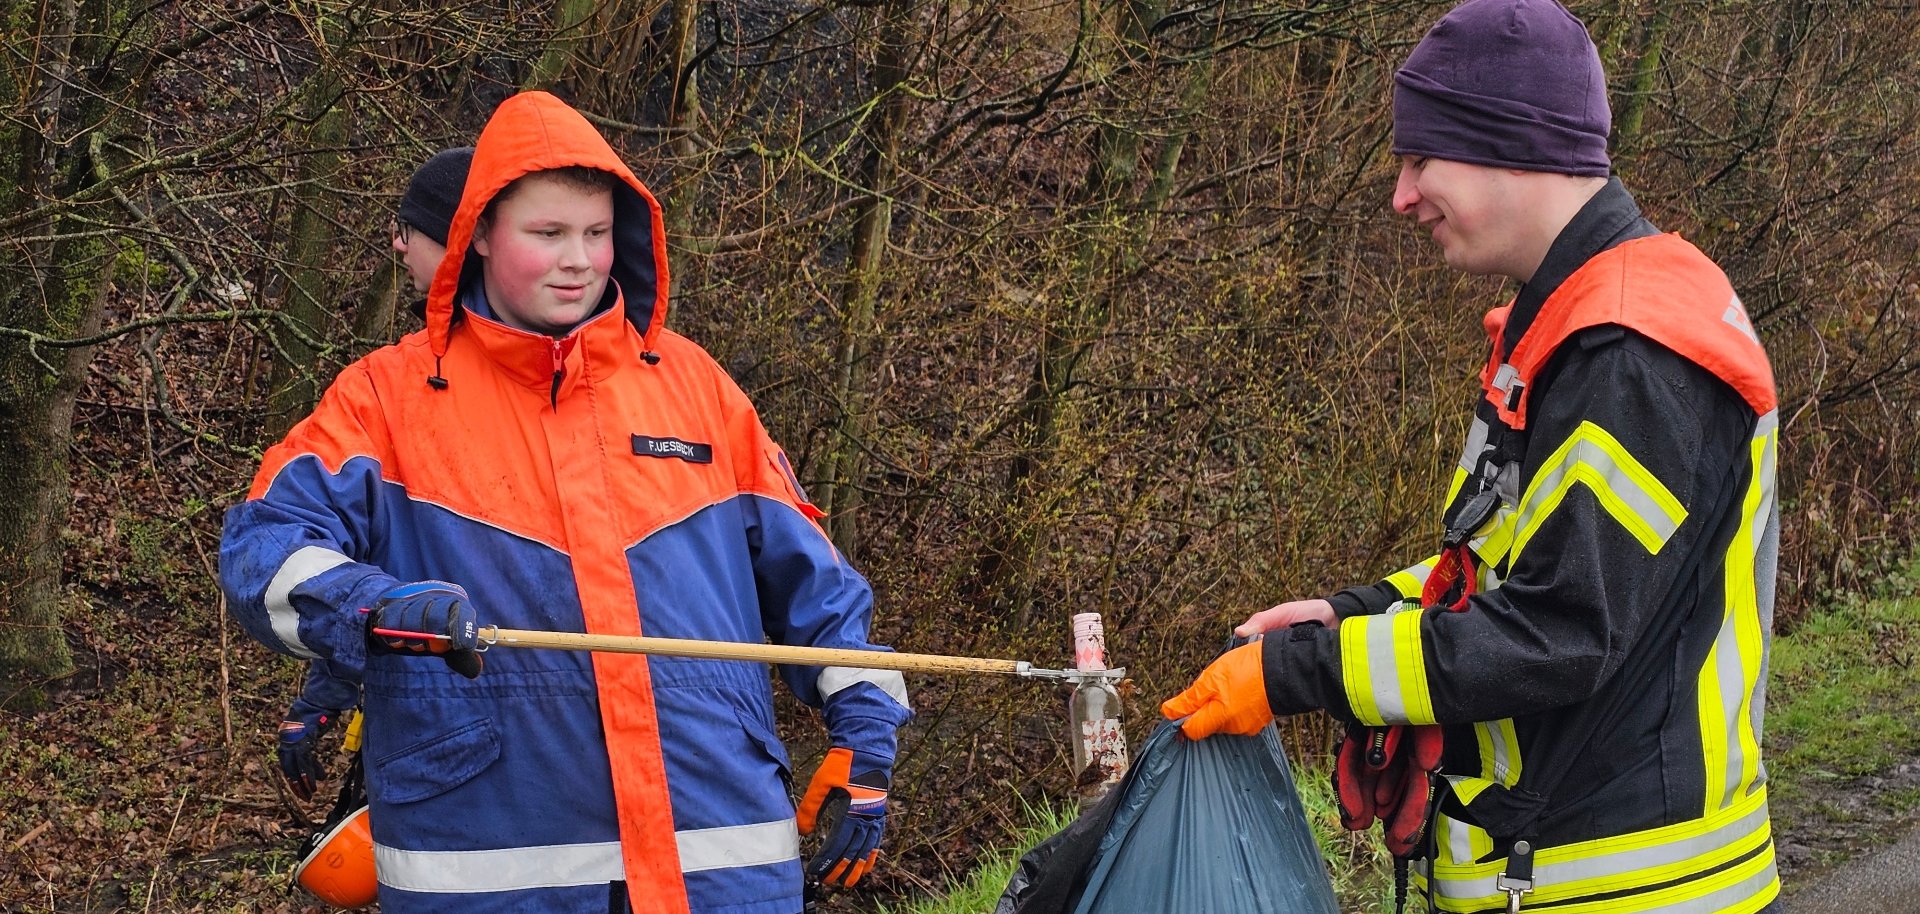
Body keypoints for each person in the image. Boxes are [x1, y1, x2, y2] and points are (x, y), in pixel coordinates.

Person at [221, 91, 913, 914]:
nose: (579, 260)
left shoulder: (696, 388)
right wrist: (370, 609)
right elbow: (264, 550)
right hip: (490, 878)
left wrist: (865, 732)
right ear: (478, 233)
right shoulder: (385, 398)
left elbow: (821, 590)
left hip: (721, 871)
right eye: (546, 235)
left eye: (595, 233)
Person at [1161, 2, 1781, 913]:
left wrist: (1305, 673)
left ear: (1512, 145)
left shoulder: (1630, 353)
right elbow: (1517, 568)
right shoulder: (1577, 325)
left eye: (1421, 159)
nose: (1402, 196)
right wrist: (1351, 613)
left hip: (1627, 885)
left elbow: (1559, 634)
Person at [276, 146, 475, 802]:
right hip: (427, 750)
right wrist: (328, 690)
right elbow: (381, 581)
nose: (395, 246)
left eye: (407, 230)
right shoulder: (393, 390)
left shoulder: (420, 398)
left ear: (452, 244)